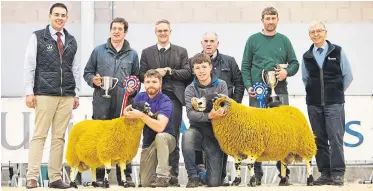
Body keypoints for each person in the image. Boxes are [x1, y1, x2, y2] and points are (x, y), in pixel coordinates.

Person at [240, 6, 299, 185]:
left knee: (281, 132)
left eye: (273, 18)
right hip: (257, 93)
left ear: (277, 20)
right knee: (256, 132)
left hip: (279, 92)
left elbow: (295, 64)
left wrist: (286, 73)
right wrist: (249, 86)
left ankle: (283, 174)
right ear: (262, 20)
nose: (270, 21)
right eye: (267, 18)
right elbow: (245, 66)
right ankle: (256, 174)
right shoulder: (253, 40)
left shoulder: (284, 40)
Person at [24, 3, 79, 189]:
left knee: (59, 137)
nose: (59, 18)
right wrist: (29, 92)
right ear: (49, 16)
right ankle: (32, 177)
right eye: (56, 14)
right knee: (39, 135)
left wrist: (76, 93)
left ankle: (55, 178)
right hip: (44, 93)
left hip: (67, 95)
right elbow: (29, 65)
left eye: (63, 15)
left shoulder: (71, 40)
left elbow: (75, 69)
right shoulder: (37, 37)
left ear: (67, 18)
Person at [83, 17, 139, 187]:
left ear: (125, 32)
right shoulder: (98, 51)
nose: (116, 31)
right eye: (113, 28)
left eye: (120, 29)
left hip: (124, 102)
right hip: (102, 101)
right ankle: (99, 175)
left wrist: (132, 90)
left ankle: (125, 176)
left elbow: (137, 78)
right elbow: (87, 72)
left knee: (124, 138)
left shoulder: (133, 54)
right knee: (101, 138)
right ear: (110, 30)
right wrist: (94, 80)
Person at [139, 19, 191, 186]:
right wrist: (153, 76)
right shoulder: (146, 52)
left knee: (172, 134)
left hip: (173, 98)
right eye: (159, 31)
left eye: (165, 30)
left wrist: (169, 72)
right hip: (152, 98)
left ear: (170, 32)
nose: (162, 33)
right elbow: (141, 74)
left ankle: (173, 174)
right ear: (156, 33)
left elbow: (187, 73)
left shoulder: (181, 51)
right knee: (150, 133)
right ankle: (152, 173)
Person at [302, 21, 353, 186]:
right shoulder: (306, 56)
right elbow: (305, 79)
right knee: (319, 139)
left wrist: (336, 91)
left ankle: (338, 174)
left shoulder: (337, 51)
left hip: (334, 104)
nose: (316, 34)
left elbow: (348, 76)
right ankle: (325, 173)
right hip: (314, 104)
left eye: (319, 31)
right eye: (312, 32)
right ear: (309, 35)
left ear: (325, 33)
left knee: (335, 138)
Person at [191, 32, 245, 186]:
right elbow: (191, 85)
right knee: (199, 143)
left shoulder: (229, 61)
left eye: (212, 41)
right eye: (206, 41)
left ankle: (221, 175)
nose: (209, 44)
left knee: (225, 143)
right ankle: (201, 173)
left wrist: (232, 107)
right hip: (203, 116)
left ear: (217, 43)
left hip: (224, 115)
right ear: (202, 43)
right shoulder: (193, 61)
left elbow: (239, 84)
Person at [182, 53, 228, 187]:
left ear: (210, 67)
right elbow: (190, 114)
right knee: (187, 136)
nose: (201, 71)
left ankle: (202, 173)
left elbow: (225, 105)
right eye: (197, 68)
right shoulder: (190, 89)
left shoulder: (222, 85)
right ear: (193, 70)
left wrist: (223, 111)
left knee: (213, 183)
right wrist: (210, 116)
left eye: (204, 67)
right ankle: (193, 176)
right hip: (197, 129)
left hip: (215, 133)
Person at [124, 69, 176, 188]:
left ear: (160, 83)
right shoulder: (139, 97)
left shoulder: (165, 100)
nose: (151, 85)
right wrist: (127, 112)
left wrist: (142, 115)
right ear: (144, 83)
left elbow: (160, 127)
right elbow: (131, 116)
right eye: (147, 82)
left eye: (154, 81)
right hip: (149, 143)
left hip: (167, 140)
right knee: (146, 183)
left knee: (160, 136)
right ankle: (169, 176)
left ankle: (163, 176)